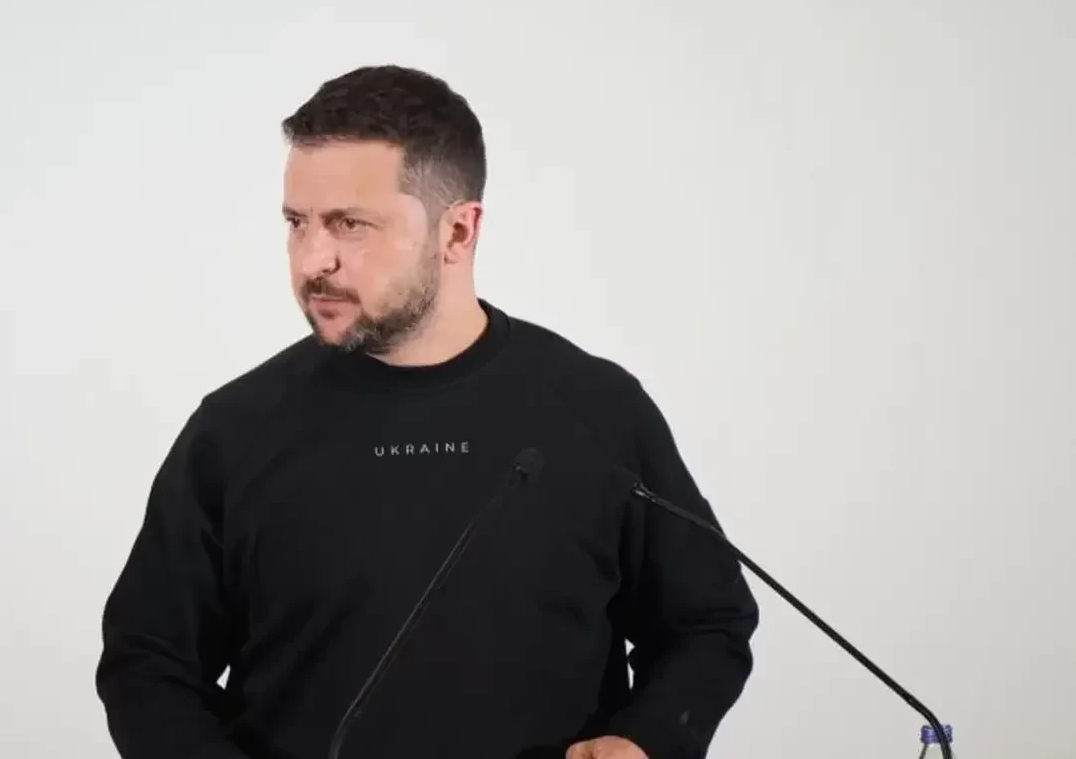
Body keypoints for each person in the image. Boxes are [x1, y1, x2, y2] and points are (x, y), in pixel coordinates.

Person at [95, 65, 759, 759]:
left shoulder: (596, 409)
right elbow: (149, 664)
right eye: (297, 223)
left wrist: (647, 740)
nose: (313, 260)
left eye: (350, 225)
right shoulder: (234, 431)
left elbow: (706, 621)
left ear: (458, 232)